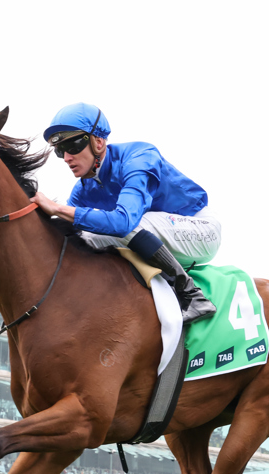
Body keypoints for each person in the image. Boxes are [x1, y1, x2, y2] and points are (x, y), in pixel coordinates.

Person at [30, 103, 220, 324]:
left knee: (126, 224)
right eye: (60, 150)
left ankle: (192, 295)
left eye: (72, 146)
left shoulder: (139, 157)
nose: (66, 157)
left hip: (201, 230)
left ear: (98, 142)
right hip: (160, 236)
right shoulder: (83, 188)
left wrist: (58, 208)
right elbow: (68, 233)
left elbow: (123, 223)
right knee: (86, 237)